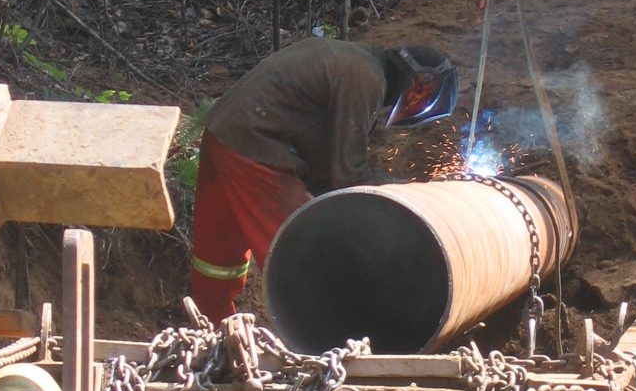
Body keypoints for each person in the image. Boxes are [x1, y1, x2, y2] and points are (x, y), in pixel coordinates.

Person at [189, 38, 458, 323]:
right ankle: (322, 338)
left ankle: (210, 323)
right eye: (422, 98)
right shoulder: (366, 79)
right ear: (418, 84)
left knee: (218, 253)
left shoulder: (356, 60)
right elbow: (348, 175)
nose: (418, 104)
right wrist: (411, 193)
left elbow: (324, 166)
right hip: (254, 148)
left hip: (225, 134)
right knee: (298, 251)